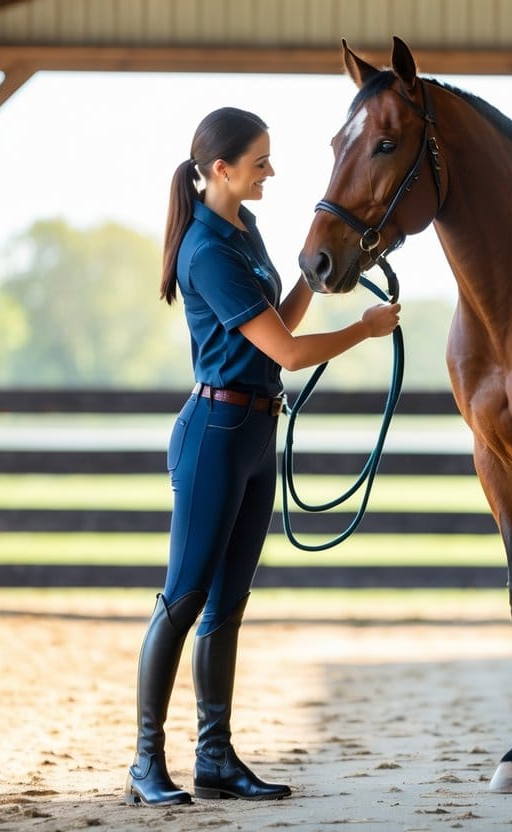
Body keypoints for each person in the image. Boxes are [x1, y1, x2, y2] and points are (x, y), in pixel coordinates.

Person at [125, 106, 400, 807]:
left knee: (228, 603)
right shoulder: (207, 249)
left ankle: (214, 760)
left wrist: (319, 273)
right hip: (214, 435)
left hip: (251, 434)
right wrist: (363, 329)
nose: (271, 171)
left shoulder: (244, 229)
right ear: (221, 169)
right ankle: (145, 765)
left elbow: (277, 321)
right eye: (259, 162)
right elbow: (286, 351)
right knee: (183, 598)